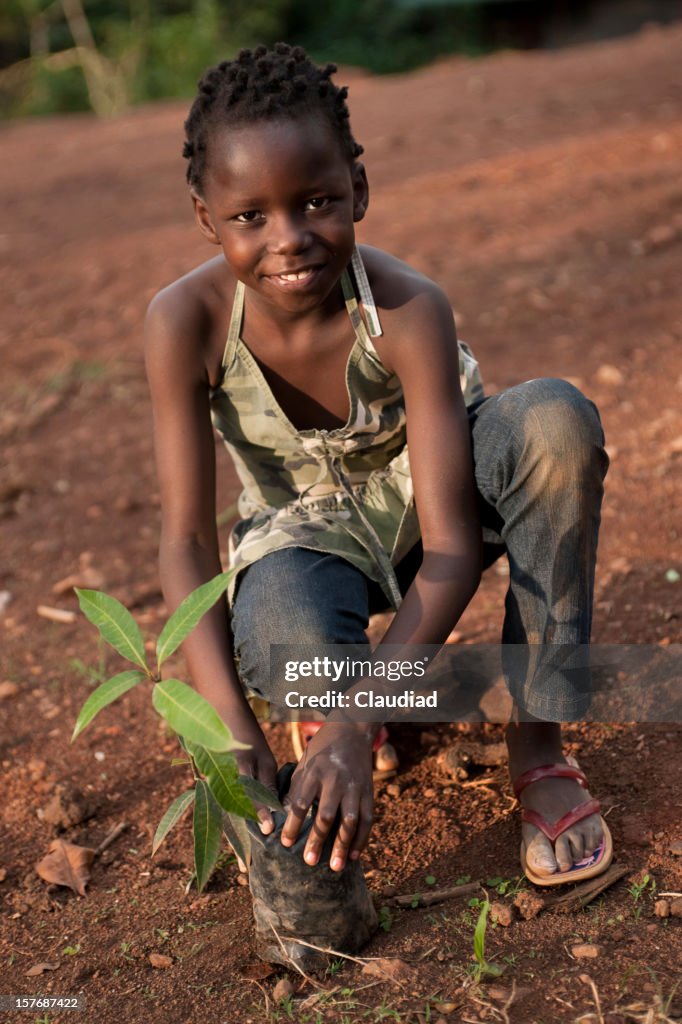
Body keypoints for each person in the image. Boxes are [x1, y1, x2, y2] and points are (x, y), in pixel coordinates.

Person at [144, 43, 612, 887]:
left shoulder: (405, 307)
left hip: (441, 496)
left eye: (317, 201)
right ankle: (361, 702)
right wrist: (236, 746)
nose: (289, 239)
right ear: (206, 217)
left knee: (553, 422)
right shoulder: (185, 322)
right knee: (282, 633)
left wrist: (352, 725)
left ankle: (538, 742)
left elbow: (450, 547)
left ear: (358, 188)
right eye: (250, 216)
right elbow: (184, 542)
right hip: (307, 534)